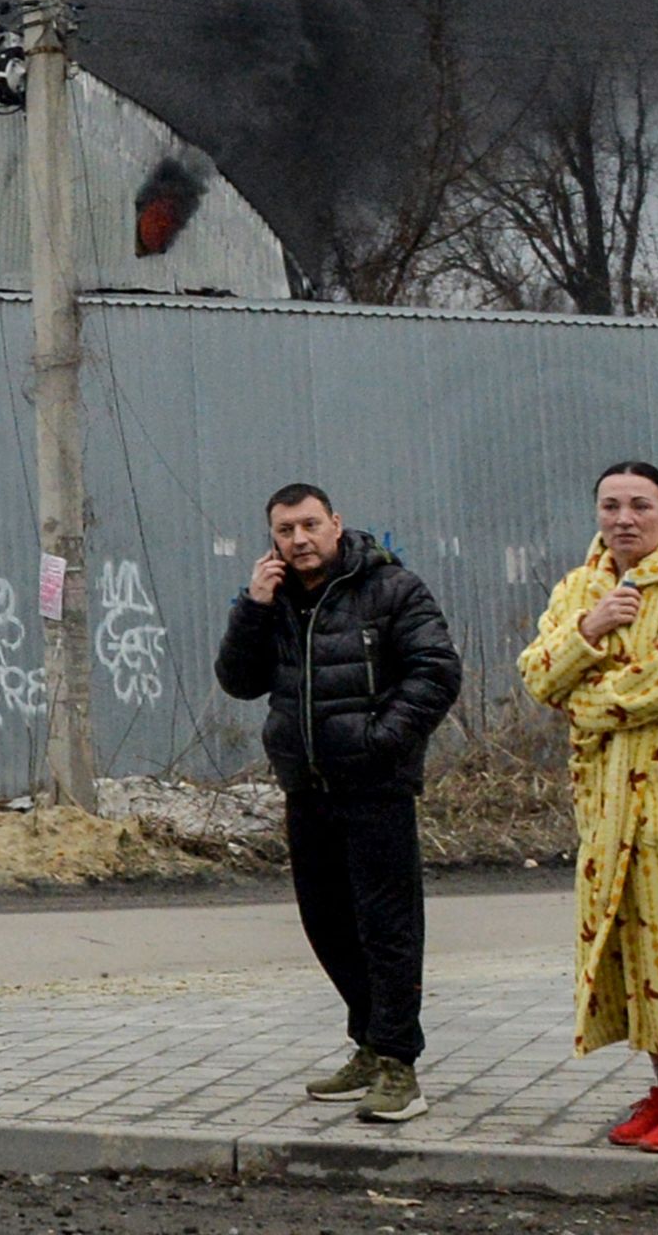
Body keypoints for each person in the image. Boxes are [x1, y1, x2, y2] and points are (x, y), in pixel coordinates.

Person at [214, 481, 464, 1125]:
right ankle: (369, 1043)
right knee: (327, 924)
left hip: (375, 786)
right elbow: (240, 682)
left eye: (308, 526)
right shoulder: (275, 603)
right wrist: (253, 605)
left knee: (388, 929)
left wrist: (383, 742)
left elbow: (436, 671)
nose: (298, 540)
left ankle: (399, 1066)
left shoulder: (392, 589)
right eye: (284, 531)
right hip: (308, 787)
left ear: (335, 524)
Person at [517, 460, 658, 1154]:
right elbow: (535, 672)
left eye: (640, 505)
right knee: (635, 942)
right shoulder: (579, 588)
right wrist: (588, 629)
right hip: (611, 793)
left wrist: (581, 699)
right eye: (611, 505)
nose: (625, 519)